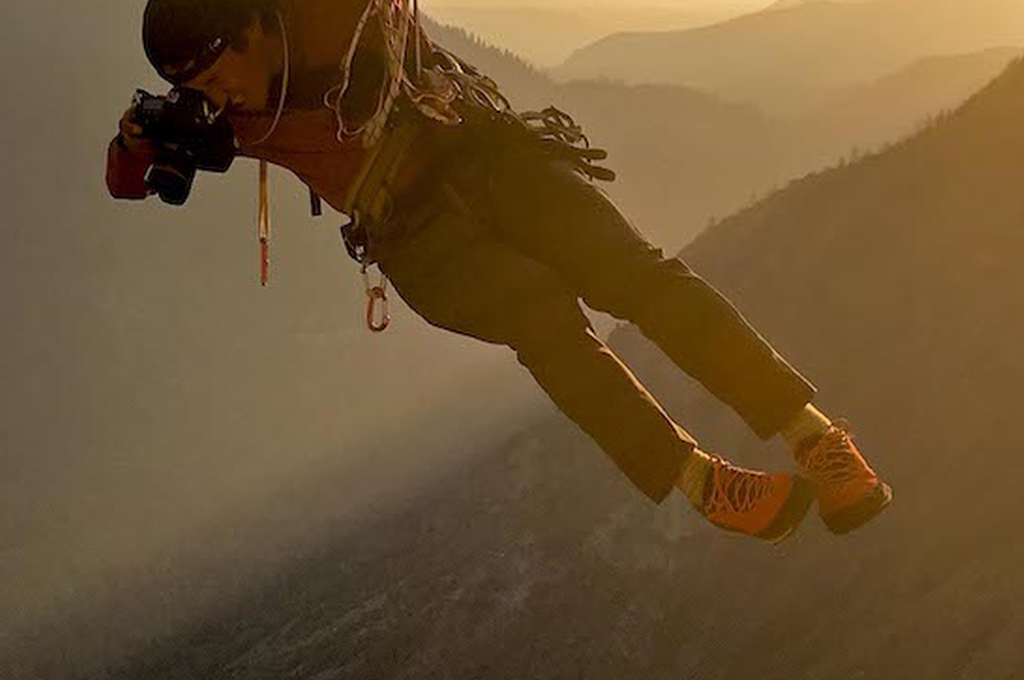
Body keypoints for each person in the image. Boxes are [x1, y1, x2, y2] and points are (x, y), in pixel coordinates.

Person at [106, 0, 893, 541]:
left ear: (255, 25)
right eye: (201, 91)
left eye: (219, 78)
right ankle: (705, 484)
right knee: (549, 330)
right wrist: (141, 138)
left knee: (638, 277)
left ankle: (817, 441)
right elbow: (125, 181)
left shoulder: (328, 8)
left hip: (483, 154)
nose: (220, 98)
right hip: (413, 235)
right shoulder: (223, 119)